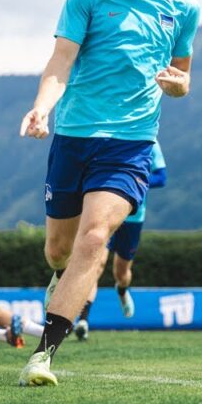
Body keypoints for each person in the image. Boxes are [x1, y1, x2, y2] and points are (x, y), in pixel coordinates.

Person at [18, 0, 199, 387]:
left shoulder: (183, 7)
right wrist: (42, 106)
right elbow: (61, 61)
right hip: (75, 137)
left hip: (131, 144)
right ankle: (62, 281)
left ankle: (42, 356)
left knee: (95, 239)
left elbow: (182, 76)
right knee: (58, 251)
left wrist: (177, 86)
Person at [74, 142, 167, 341]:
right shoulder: (110, 137)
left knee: (121, 272)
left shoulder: (150, 143)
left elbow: (161, 177)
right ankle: (83, 320)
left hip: (133, 217)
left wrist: (134, 180)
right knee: (96, 265)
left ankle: (122, 289)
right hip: (106, 213)